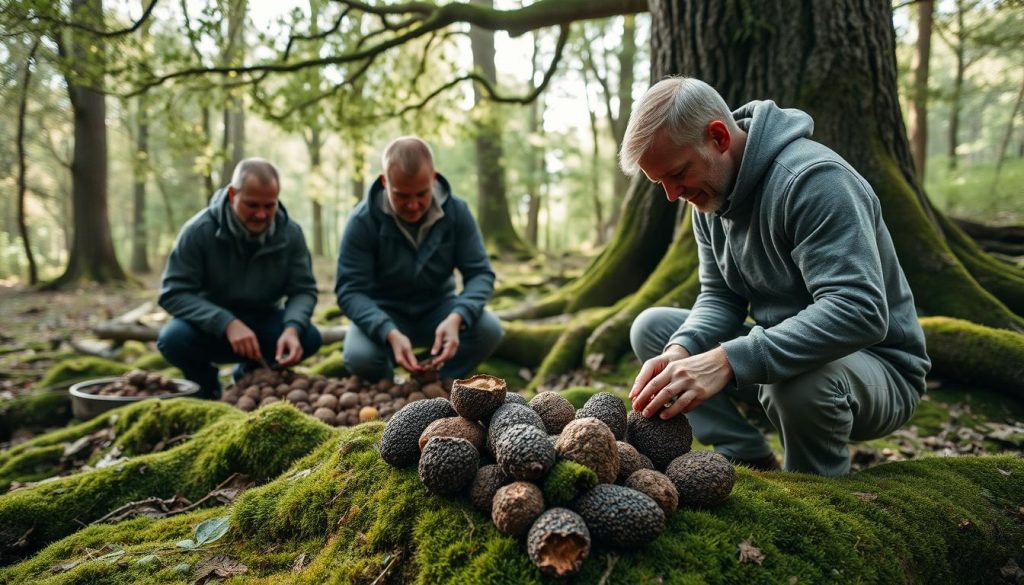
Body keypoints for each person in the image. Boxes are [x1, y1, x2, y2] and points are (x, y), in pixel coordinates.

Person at [621, 78, 930, 476]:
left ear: (717, 136)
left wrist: (727, 361)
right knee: (654, 330)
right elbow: (720, 297)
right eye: (659, 181)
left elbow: (860, 312)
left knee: (799, 382)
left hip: (877, 370)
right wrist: (683, 351)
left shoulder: (814, 181)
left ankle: (817, 495)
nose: (672, 194)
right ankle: (748, 459)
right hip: (778, 357)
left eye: (678, 173)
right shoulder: (709, 196)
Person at [335, 136, 503, 382]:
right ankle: (390, 384)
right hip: (383, 311)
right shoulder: (362, 221)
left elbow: (481, 274)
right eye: (402, 195)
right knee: (360, 357)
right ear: (385, 181)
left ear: (433, 178)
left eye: (421, 194)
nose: (413, 205)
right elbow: (349, 290)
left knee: (489, 329)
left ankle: (441, 380)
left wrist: (457, 317)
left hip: (440, 309)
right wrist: (387, 331)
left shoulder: (457, 213)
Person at [157, 158, 322, 398]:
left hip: (263, 326)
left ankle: (250, 377)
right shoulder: (198, 231)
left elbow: (303, 290)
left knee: (309, 336)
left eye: (270, 206)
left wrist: (293, 328)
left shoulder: (290, 233)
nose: (261, 214)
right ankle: (205, 386)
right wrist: (226, 322)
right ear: (233, 193)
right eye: (252, 205)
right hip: (210, 328)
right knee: (173, 339)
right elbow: (173, 293)